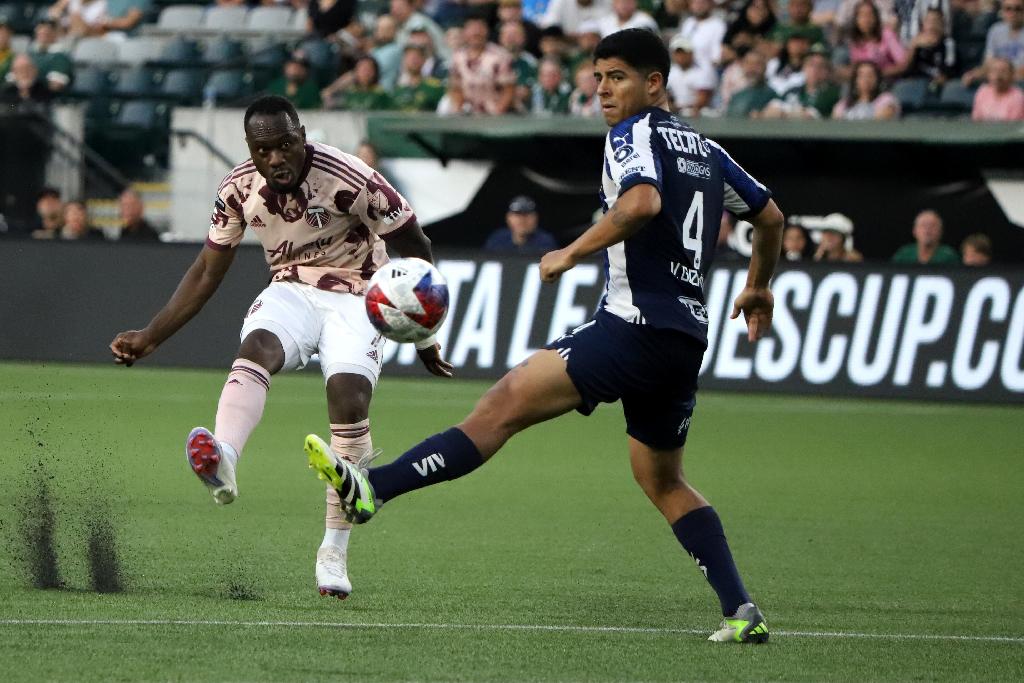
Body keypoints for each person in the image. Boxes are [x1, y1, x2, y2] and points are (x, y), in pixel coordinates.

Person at [308, 28, 783, 644]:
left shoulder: (633, 134)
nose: (604, 89)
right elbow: (769, 216)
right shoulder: (708, 151)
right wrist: (758, 287)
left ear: (654, 83)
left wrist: (569, 252)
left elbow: (639, 203)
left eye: (617, 76)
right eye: (598, 76)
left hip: (632, 327)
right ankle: (741, 610)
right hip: (686, 337)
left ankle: (375, 487)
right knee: (662, 479)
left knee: (501, 406)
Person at [109, 96, 452, 601]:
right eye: (264, 149)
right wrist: (151, 335)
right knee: (258, 347)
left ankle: (333, 550)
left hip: (359, 293)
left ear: (302, 136)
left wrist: (424, 332)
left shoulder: (351, 177)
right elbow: (207, 270)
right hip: (291, 288)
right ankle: (223, 457)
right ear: (250, 148)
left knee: (349, 397)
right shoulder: (238, 189)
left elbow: (416, 245)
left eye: (286, 145)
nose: (276, 159)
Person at [447, 15, 516, 115]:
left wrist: (498, 113)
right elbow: (456, 88)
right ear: (464, 32)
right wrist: (459, 111)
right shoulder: (457, 57)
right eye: (472, 29)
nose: (476, 33)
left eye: (480, 28)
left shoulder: (500, 56)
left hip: (496, 113)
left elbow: (508, 90)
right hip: (467, 113)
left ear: (486, 31)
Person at [762, 47, 841, 119]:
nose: (815, 70)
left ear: (828, 71)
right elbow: (770, 111)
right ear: (804, 68)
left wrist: (785, 113)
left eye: (821, 66)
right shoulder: (793, 90)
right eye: (811, 65)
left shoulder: (832, 94)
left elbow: (809, 117)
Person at [962, 0, 1024, 84]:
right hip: (997, 79)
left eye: (1018, 9)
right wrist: (975, 74)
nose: (1013, 13)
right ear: (1002, 11)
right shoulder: (995, 30)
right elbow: (988, 63)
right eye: (1008, 9)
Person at [842, 0, 906, 78]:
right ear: (856, 20)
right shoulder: (855, 42)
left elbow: (903, 64)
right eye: (861, 15)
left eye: (870, 15)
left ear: (876, 18)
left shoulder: (887, 34)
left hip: (888, 80)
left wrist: (877, 75)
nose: (866, 19)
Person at [896, 8, 957, 88]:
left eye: (936, 21)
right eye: (928, 21)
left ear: (942, 24)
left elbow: (948, 71)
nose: (932, 25)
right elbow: (905, 68)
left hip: (936, 86)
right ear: (923, 24)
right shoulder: (916, 43)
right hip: (915, 84)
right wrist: (913, 47)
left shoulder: (948, 43)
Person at [484, 195, 559, 253]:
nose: (522, 220)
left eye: (526, 215)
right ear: (508, 218)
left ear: (535, 218)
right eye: (517, 215)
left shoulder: (545, 242)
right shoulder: (497, 239)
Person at [666, 34, 717, 116]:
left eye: (683, 53)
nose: (680, 56)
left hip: (700, 114)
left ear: (691, 54)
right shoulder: (670, 72)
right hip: (678, 113)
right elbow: (666, 94)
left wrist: (679, 108)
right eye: (677, 53)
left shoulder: (703, 71)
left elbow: (703, 100)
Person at [831, 60, 900, 119]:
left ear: (878, 80)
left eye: (870, 75)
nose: (866, 79)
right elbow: (836, 121)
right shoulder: (844, 104)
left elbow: (881, 120)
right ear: (855, 80)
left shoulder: (887, 99)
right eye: (861, 75)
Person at [390, 41, 446, 112]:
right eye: (409, 56)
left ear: (424, 60)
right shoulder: (398, 90)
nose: (413, 60)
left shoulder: (434, 87)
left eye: (417, 56)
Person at [891, 209, 961, 264]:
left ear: (940, 232)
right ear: (914, 231)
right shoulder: (904, 254)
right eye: (923, 225)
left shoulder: (949, 256)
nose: (927, 230)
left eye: (932, 226)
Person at [677, 0, 727, 70]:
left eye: (702, 3)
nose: (699, 6)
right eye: (695, 3)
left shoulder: (718, 25)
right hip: (683, 69)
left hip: (705, 71)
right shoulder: (688, 22)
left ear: (710, 4)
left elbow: (716, 57)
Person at [726, 50, 777, 117]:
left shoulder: (771, 95)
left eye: (757, 64)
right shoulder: (736, 96)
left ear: (765, 67)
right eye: (748, 63)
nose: (752, 68)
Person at [972, 56, 1024, 120]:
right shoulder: (982, 91)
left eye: (1003, 71)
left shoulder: (1018, 96)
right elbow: (976, 119)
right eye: (994, 71)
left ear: (1011, 75)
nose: (998, 76)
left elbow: (1012, 126)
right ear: (988, 74)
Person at [30, 19, 73, 94]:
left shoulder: (60, 56)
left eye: (46, 33)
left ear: (55, 34)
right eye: (40, 33)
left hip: (43, 97)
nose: (42, 35)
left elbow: (55, 86)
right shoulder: (30, 53)